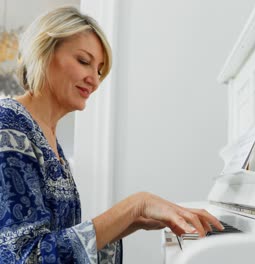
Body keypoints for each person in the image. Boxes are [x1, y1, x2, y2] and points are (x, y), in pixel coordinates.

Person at [0, 6, 223, 263]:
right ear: (44, 52)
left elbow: (59, 241)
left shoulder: (49, 137)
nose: (94, 80)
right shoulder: (8, 124)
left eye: (99, 70)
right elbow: (24, 257)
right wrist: (134, 206)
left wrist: (132, 222)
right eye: (84, 61)